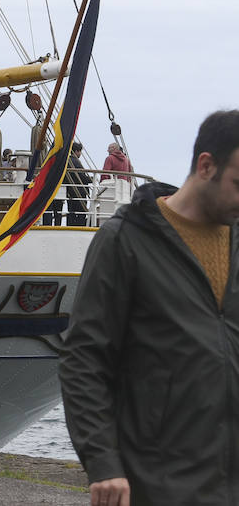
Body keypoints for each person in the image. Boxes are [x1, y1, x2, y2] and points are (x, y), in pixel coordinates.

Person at [61, 110, 239, 506]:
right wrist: (103, 463)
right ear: (206, 166)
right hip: (160, 483)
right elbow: (83, 360)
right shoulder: (124, 241)